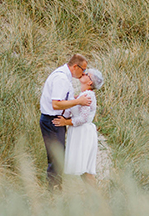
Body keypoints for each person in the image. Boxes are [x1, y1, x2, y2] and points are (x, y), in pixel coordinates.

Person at [39, 54, 91, 188]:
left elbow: (63, 99)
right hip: (52, 121)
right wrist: (78, 101)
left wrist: (74, 99)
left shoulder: (65, 76)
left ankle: (55, 188)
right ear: (76, 66)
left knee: (58, 156)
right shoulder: (61, 78)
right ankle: (54, 190)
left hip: (55, 120)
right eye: (83, 69)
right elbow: (56, 104)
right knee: (56, 157)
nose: (83, 73)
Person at [53, 67, 103, 183]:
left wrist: (65, 122)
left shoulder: (87, 96)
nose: (83, 74)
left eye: (87, 74)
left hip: (83, 133)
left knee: (86, 171)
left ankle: (97, 194)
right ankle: (93, 194)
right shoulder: (83, 94)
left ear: (90, 82)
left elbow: (83, 118)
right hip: (79, 132)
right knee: (83, 171)